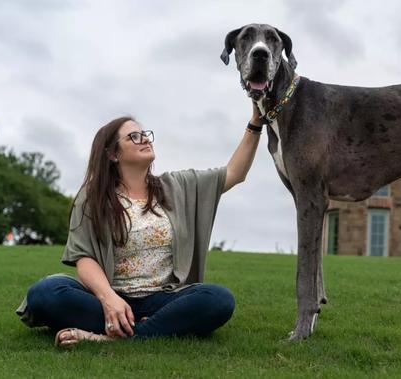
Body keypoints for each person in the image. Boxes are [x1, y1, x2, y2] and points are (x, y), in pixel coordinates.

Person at [16, 103, 264, 347]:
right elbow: (84, 257)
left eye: (145, 134)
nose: (145, 139)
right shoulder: (93, 197)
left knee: (218, 299)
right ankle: (147, 327)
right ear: (113, 154)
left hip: (163, 299)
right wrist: (109, 299)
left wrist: (255, 123)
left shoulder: (177, 186)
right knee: (44, 292)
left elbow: (234, 173)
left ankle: (112, 337)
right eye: (133, 137)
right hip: (110, 298)